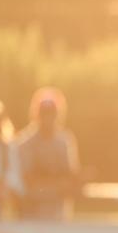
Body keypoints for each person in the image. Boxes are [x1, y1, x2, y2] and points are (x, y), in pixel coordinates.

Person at [15, 87, 80, 220]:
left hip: (58, 212)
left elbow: (70, 176)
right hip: (31, 211)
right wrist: (55, 182)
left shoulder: (65, 141)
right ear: (36, 113)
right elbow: (27, 179)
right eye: (44, 112)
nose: (48, 116)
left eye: (51, 112)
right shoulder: (24, 142)